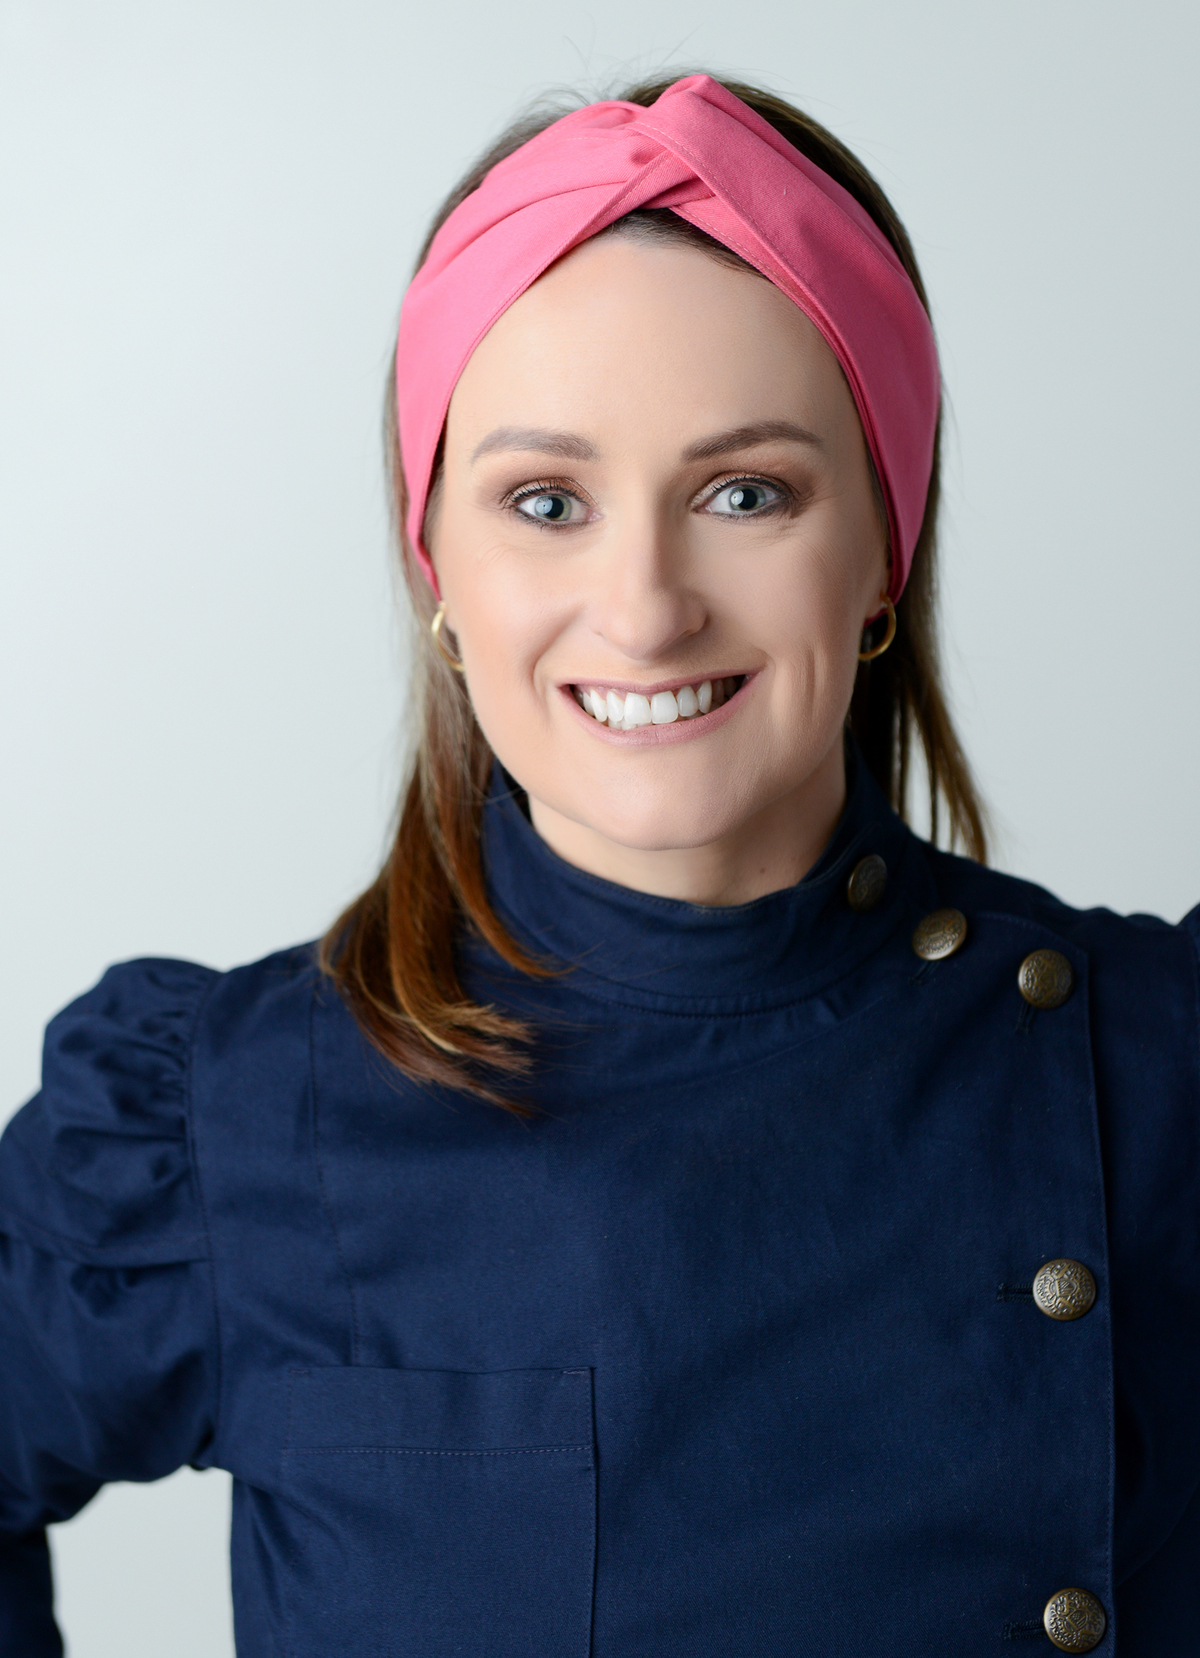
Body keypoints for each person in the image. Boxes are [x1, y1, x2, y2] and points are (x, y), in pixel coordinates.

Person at [1, 70, 1196, 1658]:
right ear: (439, 564)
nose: (644, 607)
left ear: (882, 550)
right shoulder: (217, 1121)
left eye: (745, 492)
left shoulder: (1158, 1062)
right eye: (545, 500)